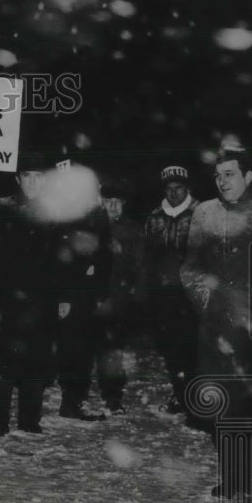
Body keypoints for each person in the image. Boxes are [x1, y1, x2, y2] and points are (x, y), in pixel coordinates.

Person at [180, 146, 252, 498]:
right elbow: (191, 268)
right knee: (224, 404)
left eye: (230, 174)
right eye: (218, 175)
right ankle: (234, 476)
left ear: (248, 176)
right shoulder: (205, 213)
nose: (222, 181)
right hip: (218, 328)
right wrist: (206, 303)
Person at [0, 153, 59, 435]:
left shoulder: (55, 212)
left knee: (35, 362)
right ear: (18, 179)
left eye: (39, 177)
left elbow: (63, 258)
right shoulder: (1, 208)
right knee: (2, 362)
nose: (33, 182)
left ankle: (30, 420)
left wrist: (60, 296)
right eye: (27, 176)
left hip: (41, 300)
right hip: (6, 298)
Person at [50, 159, 114, 421]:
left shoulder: (96, 213)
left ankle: (75, 399)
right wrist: (63, 296)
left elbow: (104, 256)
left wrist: (100, 292)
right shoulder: (58, 213)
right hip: (66, 293)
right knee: (70, 348)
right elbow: (57, 257)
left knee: (83, 349)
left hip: (87, 295)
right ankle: (70, 400)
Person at [141, 165, 201, 422]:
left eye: (179, 188)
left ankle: (197, 399)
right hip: (163, 295)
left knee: (193, 347)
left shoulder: (201, 213)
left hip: (193, 294)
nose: (174, 193)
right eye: (169, 188)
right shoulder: (154, 217)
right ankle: (180, 395)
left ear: (187, 188)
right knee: (170, 349)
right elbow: (145, 257)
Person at [91, 177, 144, 416]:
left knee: (112, 352)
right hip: (88, 299)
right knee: (80, 349)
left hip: (117, 300)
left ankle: (112, 397)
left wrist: (136, 297)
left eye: (118, 202)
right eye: (108, 201)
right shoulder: (88, 226)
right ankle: (74, 397)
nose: (113, 206)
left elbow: (140, 267)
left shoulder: (133, 231)